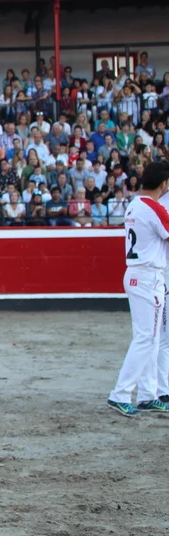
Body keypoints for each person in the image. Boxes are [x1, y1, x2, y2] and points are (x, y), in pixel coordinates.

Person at [108, 162, 169, 417]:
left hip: (137, 274)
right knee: (146, 339)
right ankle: (120, 394)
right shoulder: (154, 208)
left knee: (149, 338)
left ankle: (147, 395)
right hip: (148, 278)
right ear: (164, 184)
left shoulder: (134, 204)